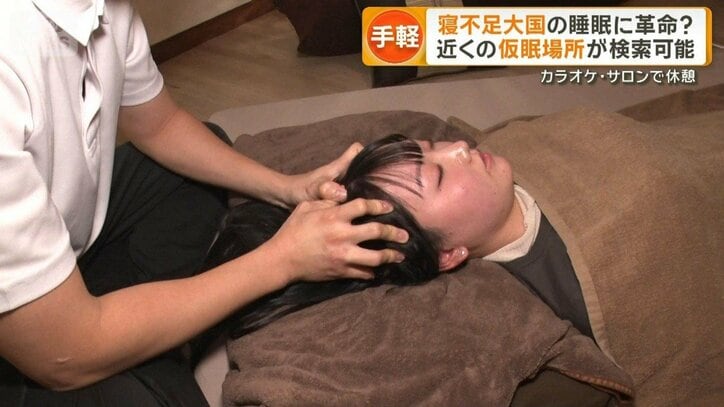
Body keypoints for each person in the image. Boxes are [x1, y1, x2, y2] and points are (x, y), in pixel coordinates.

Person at [0, 1, 408, 405]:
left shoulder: (105, 8)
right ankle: (120, 341)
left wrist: (287, 188)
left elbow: (160, 125)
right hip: (57, 347)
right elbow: (65, 353)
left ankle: (113, 322)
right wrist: (282, 259)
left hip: (70, 251)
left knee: (200, 166)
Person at [202, 134, 592, 341]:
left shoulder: (509, 144)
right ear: (447, 255)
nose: (459, 148)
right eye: (438, 177)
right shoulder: (574, 289)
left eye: (432, 147)